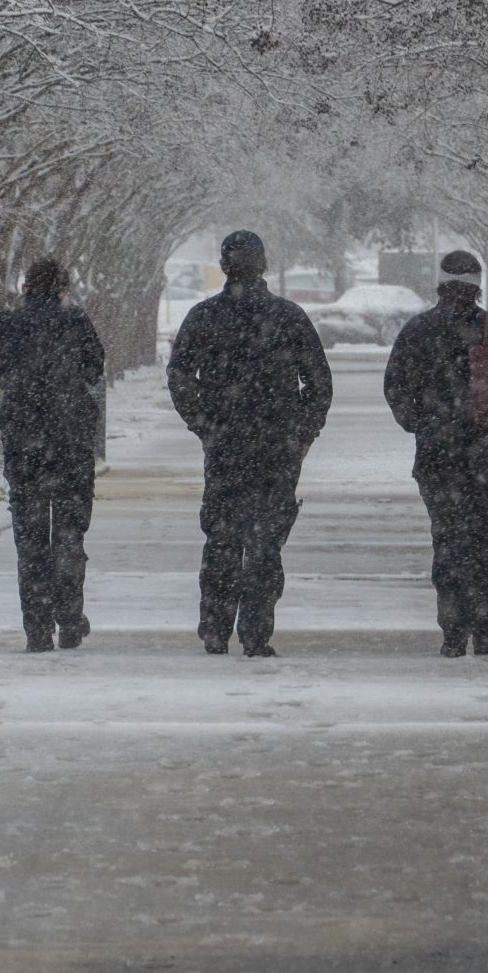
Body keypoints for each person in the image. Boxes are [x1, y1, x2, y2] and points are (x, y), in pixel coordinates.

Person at [166, 230, 333, 656]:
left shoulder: (204, 317)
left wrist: (205, 424)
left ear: (224, 266)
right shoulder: (289, 317)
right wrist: (302, 433)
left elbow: (180, 379)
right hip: (277, 448)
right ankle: (256, 633)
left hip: (225, 446)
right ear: (263, 265)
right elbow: (318, 383)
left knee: (222, 538)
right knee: (264, 542)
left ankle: (215, 627)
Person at [383, 250, 488, 656]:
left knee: (447, 540)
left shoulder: (418, 330)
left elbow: (395, 386)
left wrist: (421, 421)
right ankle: (485, 629)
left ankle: (453, 631)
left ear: (440, 283)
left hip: (437, 457)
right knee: (484, 540)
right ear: (477, 284)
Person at [0, 256, 105, 652]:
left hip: (24, 444)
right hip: (71, 442)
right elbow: (94, 371)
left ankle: (37, 628)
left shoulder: (4, 325)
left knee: (31, 538)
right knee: (70, 535)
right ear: (63, 288)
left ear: (25, 287)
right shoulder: (78, 322)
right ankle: (70, 618)